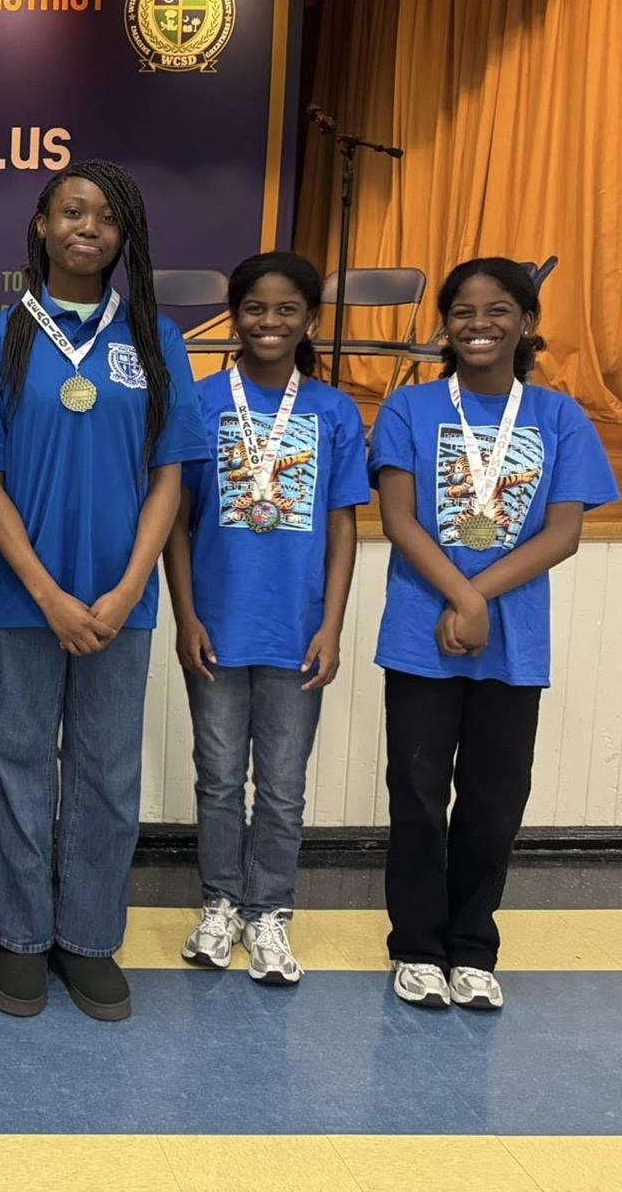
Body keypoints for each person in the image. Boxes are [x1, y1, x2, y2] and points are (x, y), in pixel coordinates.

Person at [0, 159, 207, 1022]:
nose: (85, 227)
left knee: (104, 775)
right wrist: (50, 593)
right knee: (20, 769)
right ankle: (22, 937)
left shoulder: (157, 340)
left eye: (103, 215)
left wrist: (131, 585)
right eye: (70, 210)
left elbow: (170, 479)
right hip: (30, 604)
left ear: (123, 236)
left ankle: (90, 938)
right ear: (40, 225)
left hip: (121, 607)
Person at [372, 257, 616, 1011]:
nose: (480, 323)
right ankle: (416, 944)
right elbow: (399, 518)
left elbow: (565, 531)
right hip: (422, 632)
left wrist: (477, 597)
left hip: (513, 642)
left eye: (499, 309)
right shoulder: (408, 409)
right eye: (464, 311)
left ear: (527, 323)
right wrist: (455, 597)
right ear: (444, 324)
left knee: (494, 795)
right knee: (416, 791)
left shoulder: (559, 416)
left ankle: (474, 946)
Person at [162, 252, 367, 984]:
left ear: (310, 319)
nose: (270, 322)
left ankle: (270, 911)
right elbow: (176, 523)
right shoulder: (203, 403)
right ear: (235, 316)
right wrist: (186, 615)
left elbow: (344, 525)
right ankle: (221, 901)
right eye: (255, 308)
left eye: (287, 310)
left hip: (297, 631)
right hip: (217, 626)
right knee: (218, 778)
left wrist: (333, 625)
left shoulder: (335, 410)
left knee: (282, 783)